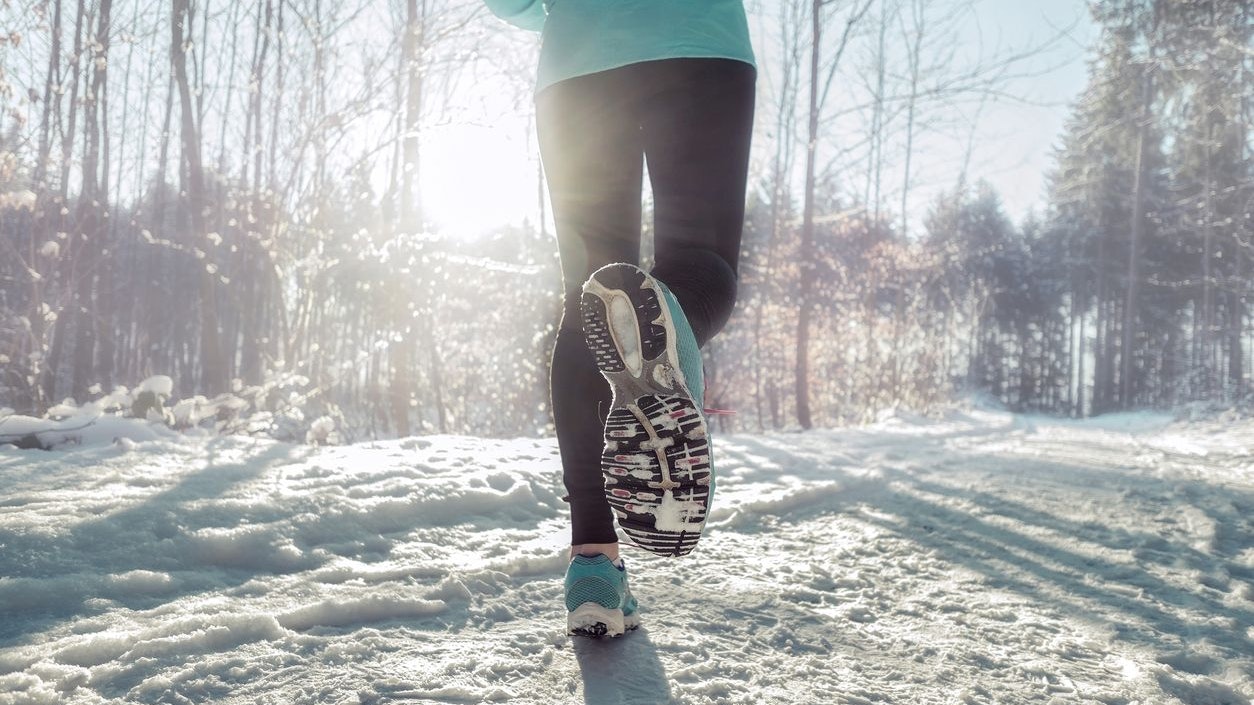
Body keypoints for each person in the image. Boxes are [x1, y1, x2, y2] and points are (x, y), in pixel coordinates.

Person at [483, 0, 756, 638]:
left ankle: (594, 570)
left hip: (578, 64)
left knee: (591, 299)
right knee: (701, 263)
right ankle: (665, 332)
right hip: (696, 39)